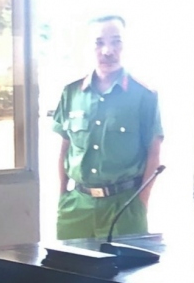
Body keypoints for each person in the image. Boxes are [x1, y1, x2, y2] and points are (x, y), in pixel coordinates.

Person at [52, 15, 163, 240]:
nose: (108, 51)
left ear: (125, 45)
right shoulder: (71, 93)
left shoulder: (144, 95)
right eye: (99, 42)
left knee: (125, 264)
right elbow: (64, 149)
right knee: (68, 263)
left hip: (124, 207)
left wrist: (141, 203)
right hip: (76, 208)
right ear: (88, 47)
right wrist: (62, 195)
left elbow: (154, 153)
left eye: (116, 42)